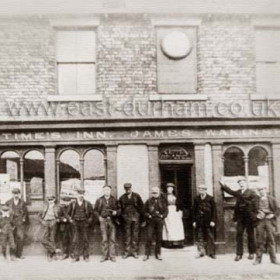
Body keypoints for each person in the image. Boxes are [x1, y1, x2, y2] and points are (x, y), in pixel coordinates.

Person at [220, 178, 257, 261]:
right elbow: (230, 191)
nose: (241, 184)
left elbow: (256, 204)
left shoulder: (252, 192)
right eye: (240, 183)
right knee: (239, 235)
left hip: (249, 217)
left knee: (250, 235)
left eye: (243, 183)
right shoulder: (238, 192)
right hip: (240, 217)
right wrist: (223, 184)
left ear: (246, 183)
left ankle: (252, 253)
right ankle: (239, 254)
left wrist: (254, 215)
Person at [252, 186, 280, 265]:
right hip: (260, 221)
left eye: (263, 190)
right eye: (260, 190)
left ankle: (273, 259)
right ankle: (258, 259)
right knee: (259, 240)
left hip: (269, 221)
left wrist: (273, 215)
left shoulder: (272, 199)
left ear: (266, 190)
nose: (261, 191)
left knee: (271, 239)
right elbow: (250, 211)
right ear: (258, 191)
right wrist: (256, 216)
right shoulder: (255, 200)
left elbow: (278, 209)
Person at [94, 185, 121, 262]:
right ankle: (104, 256)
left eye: (108, 190)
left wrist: (116, 212)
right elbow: (95, 211)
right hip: (103, 221)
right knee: (104, 239)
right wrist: (99, 217)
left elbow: (119, 209)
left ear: (110, 191)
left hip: (112, 221)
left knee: (112, 239)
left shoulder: (114, 200)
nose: (106, 191)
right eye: (105, 190)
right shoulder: (99, 200)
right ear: (103, 191)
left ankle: (112, 256)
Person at [119, 182, 144, 259]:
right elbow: (120, 209)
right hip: (126, 219)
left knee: (135, 235)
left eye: (129, 189)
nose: (128, 190)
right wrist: (123, 217)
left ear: (131, 188)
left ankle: (134, 252)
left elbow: (141, 207)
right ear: (124, 189)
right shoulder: (122, 198)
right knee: (127, 235)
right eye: (126, 189)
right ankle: (126, 252)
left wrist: (141, 218)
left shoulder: (137, 196)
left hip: (136, 218)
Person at [143, 186, 168, 261]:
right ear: (151, 193)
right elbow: (144, 211)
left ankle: (158, 254)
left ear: (159, 192)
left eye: (156, 192)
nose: (155, 194)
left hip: (159, 221)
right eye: (153, 192)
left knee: (159, 238)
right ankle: (146, 254)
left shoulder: (163, 201)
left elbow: (166, 211)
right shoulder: (148, 201)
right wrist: (149, 216)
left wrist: (162, 216)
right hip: (151, 221)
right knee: (149, 237)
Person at [67, 189, 93, 262]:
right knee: (75, 239)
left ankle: (86, 256)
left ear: (84, 195)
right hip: (75, 223)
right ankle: (76, 256)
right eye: (79, 194)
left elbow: (92, 214)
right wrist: (70, 220)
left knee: (85, 239)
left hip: (84, 223)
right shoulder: (72, 203)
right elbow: (67, 213)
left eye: (82, 195)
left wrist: (88, 221)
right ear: (77, 195)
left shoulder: (87, 203)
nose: (81, 196)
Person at [193, 184, 216, 259]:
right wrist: (194, 221)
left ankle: (211, 253)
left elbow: (214, 211)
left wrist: (213, 220)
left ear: (205, 190)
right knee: (200, 236)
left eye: (202, 189)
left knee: (210, 236)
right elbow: (194, 210)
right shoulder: (196, 199)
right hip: (199, 221)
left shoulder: (210, 198)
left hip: (208, 221)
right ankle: (201, 252)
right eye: (199, 189)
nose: (201, 191)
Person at [5, 187, 29, 259]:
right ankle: (11, 254)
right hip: (11, 222)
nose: (16, 195)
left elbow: (26, 212)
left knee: (20, 238)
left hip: (20, 223)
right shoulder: (8, 202)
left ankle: (18, 254)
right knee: (11, 238)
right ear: (12, 194)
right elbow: (4, 211)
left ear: (19, 194)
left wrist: (24, 219)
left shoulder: (23, 202)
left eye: (17, 193)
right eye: (14, 193)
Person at [38, 195, 62, 261]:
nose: (50, 201)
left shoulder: (58, 207)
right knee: (42, 238)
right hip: (45, 222)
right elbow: (39, 215)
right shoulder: (44, 206)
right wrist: (42, 221)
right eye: (49, 199)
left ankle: (51, 255)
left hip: (53, 222)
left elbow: (62, 215)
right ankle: (55, 249)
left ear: (54, 199)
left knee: (52, 238)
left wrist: (58, 220)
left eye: (51, 199)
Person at [162, 183, 185, 248]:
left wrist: (180, 211)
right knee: (169, 227)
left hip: (176, 213)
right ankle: (169, 243)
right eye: (168, 188)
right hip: (168, 212)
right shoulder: (164, 196)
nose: (170, 189)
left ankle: (178, 243)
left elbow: (180, 204)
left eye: (171, 188)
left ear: (173, 189)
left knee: (177, 227)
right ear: (166, 189)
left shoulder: (176, 196)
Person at [58, 196, 73, 260]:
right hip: (64, 225)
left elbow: (74, 215)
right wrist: (63, 219)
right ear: (64, 202)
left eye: (68, 201)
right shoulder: (62, 208)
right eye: (65, 201)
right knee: (64, 240)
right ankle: (65, 253)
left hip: (71, 226)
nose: (67, 203)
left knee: (72, 239)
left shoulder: (73, 208)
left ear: (70, 202)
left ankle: (72, 253)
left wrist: (71, 219)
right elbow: (59, 216)